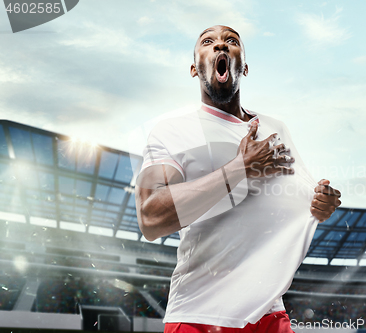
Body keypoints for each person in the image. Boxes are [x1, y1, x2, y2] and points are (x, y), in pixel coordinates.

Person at [135, 25, 341, 333]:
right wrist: (239, 168)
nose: (220, 46)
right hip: (200, 310)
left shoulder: (275, 128)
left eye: (231, 41)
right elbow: (150, 218)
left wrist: (321, 202)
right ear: (194, 68)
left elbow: (305, 199)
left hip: (269, 311)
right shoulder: (170, 132)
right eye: (208, 42)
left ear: (243, 65)